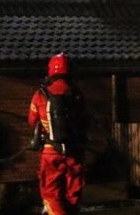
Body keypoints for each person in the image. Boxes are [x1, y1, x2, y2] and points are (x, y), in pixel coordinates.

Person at [28, 53, 87, 215]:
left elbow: (32, 121)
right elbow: (83, 120)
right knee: (72, 194)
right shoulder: (77, 94)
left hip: (50, 153)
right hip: (74, 152)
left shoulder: (40, 95)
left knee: (51, 194)